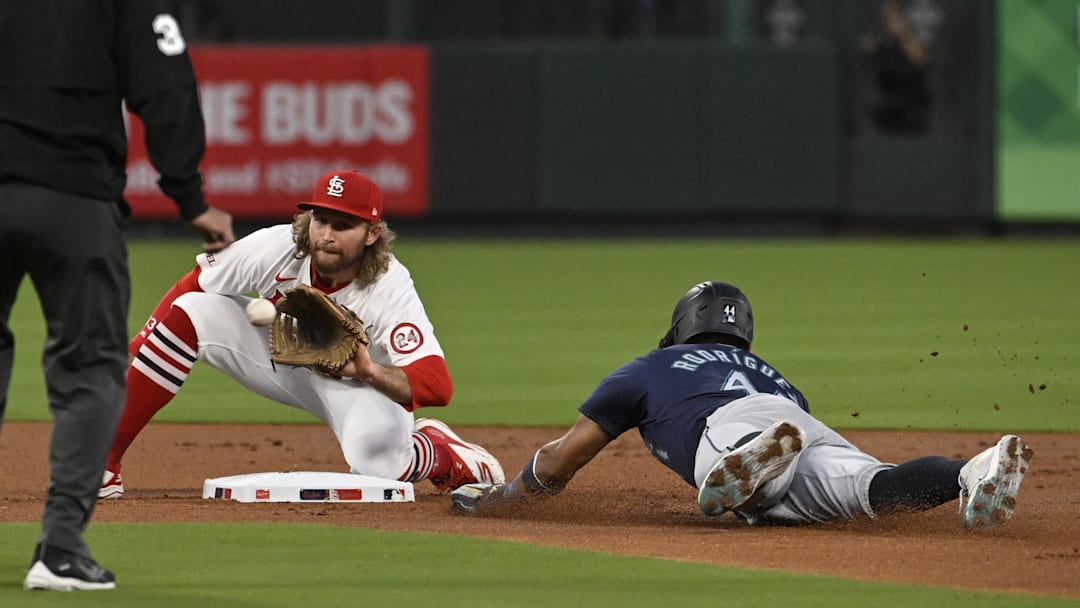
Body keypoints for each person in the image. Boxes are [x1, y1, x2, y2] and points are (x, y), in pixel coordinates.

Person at [450, 282, 1033, 532]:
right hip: (803, 423)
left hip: (731, 429)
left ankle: (748, 461)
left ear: (678, 329)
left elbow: (561, 460)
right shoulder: (776, 376)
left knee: (731, 473)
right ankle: (969, 472)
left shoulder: (646, 368)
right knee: (873, 488)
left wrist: (505, 501)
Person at [0, 1, 235, 592]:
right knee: (90, 370)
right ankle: (59, 550)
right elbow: (167, 87)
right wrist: (189, 196)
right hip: (73, 196)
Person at [98, 169, 505, 503]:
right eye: (321, 220)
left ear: (372, 233)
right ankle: (103, 462)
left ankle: (435, 449)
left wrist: (368, 370)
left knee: (379, 469)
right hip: (283, 359)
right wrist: (135, 351)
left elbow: (438, 385)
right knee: (192, 312)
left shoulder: (388, 286)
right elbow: (195, 283)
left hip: (358, 386)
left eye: (343, 225)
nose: (327, 234)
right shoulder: (276, 246)